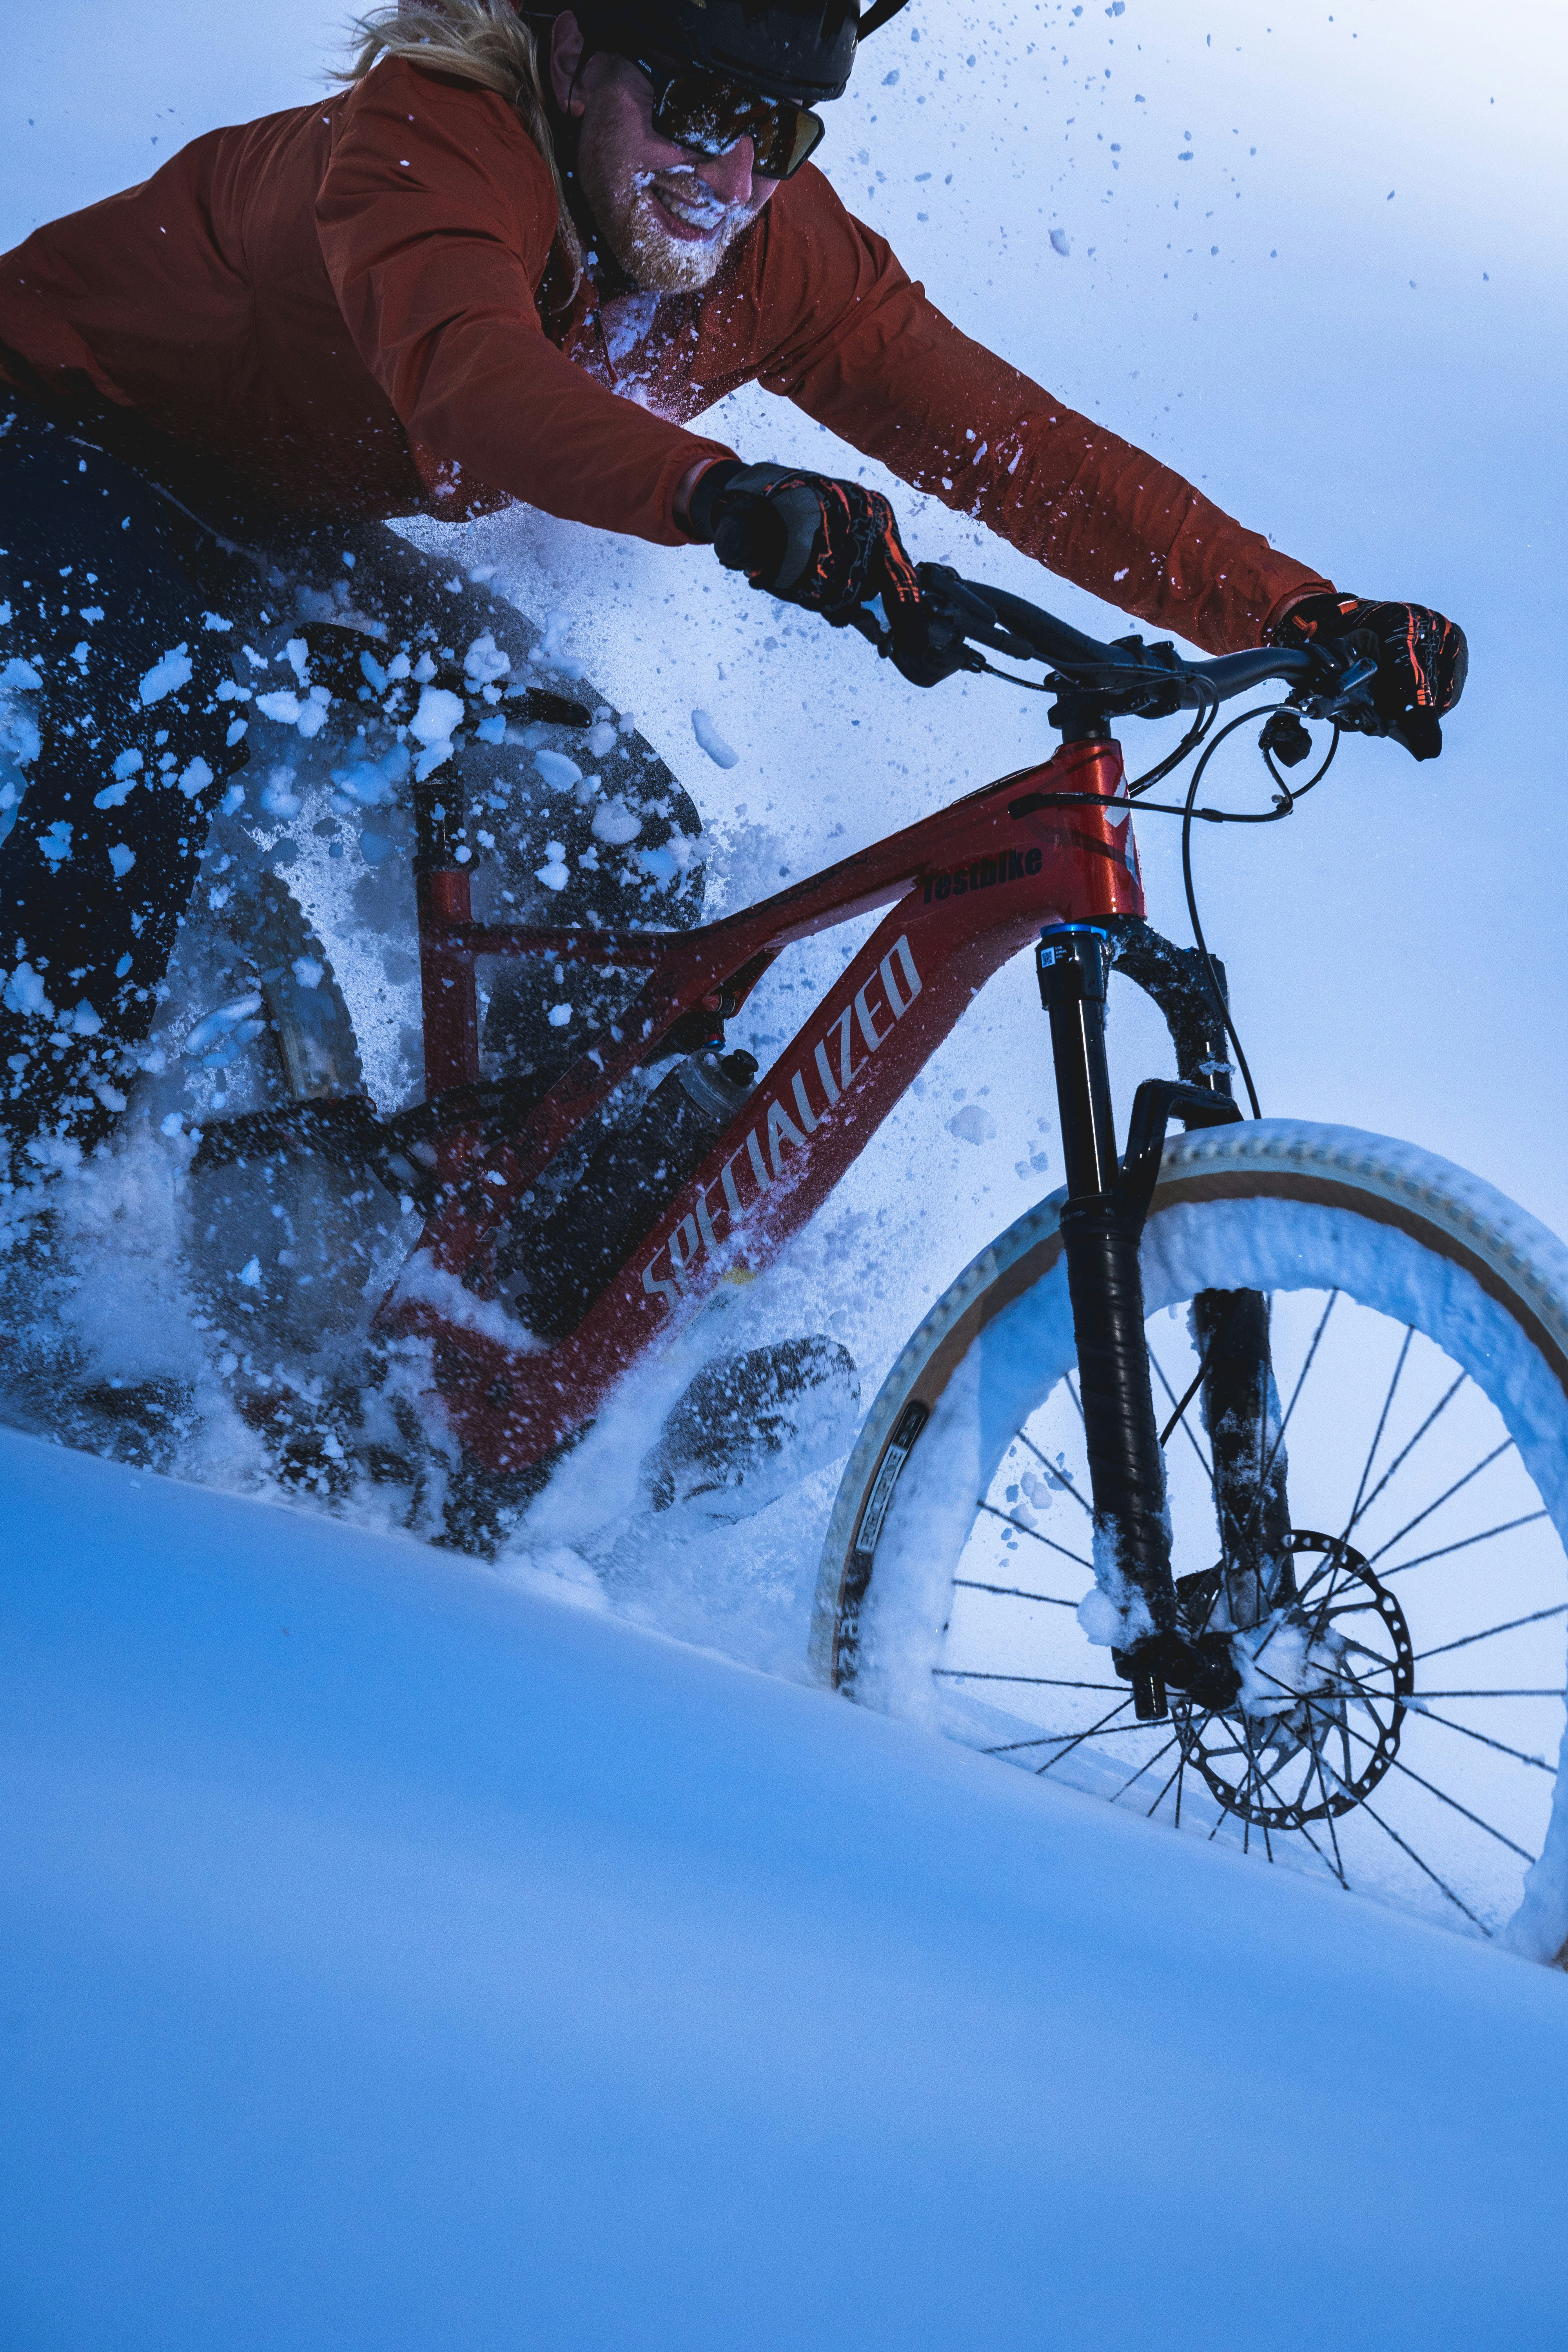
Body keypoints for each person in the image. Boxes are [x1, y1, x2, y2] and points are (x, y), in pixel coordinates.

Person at [0, 0, 1467, 1191]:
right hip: (49, 432)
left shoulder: (769, 250)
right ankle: (33, 1250)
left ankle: (511, 1278)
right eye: (698, 108)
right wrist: (715, 491)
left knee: (608, 822)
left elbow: (1021, 454)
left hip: (271, 513)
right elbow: (473, 380)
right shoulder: (431, 136)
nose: (730, 180)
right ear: (574, 58)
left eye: (778, 132)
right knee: (155, 698)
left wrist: (1295, 614)